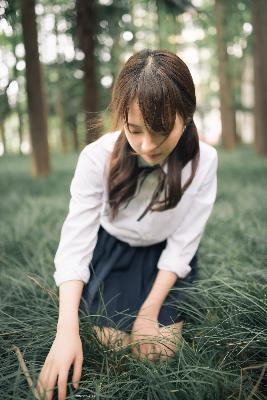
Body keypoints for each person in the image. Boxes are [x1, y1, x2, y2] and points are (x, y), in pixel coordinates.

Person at [35, 49, 218, 400]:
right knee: (114, 348)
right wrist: (65, 330)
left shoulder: (204, 161)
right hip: (114, 251)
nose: (147, 146)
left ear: (187, 116)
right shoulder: (96, 158)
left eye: (161, 131)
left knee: (158, 353)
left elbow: (184, 241)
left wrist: (149, 313)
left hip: (165, 259)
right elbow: (76, 242)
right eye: (134, 130)